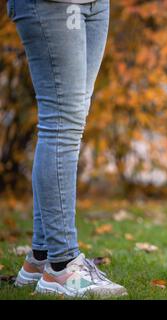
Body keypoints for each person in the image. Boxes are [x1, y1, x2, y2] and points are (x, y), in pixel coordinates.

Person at [7, 0, 126, 297]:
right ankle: (62, 265)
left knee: (70, 120)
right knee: (62, 123)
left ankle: (42, 257)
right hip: (53, 5)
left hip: (96, 4)